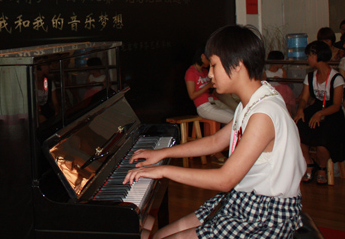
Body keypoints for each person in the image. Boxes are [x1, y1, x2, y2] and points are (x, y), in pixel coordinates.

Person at [124, 25, 305, 239]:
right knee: (161, 234)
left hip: (265, 214)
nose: (210, 74)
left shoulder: (264, 114)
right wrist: (162, 153)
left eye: (214, 65)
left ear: (237, 65)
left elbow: (225, 180)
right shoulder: (254, 100)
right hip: (244, 199)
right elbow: (215, 142)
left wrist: (162, 171)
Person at [294, 40, 345, 185]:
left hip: (331, 112)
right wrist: (300, 110)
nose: (308, 59)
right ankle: (309, 164)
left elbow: (336, 105)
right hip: (316, 107)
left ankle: (322, 168)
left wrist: (320, 114)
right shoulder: (310, 76)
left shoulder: (337, 78)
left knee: (324, 139)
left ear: (318, 56)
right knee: (298, 128)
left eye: (310, 56)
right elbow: (304, 98)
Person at [184, 48, 234, 124]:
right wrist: (207, 86)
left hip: (214, 101)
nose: (210, 62)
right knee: (232, 119)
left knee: (236, 115)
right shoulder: (191, 72)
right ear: (203, 56)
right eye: (209, 59)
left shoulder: (205, 71)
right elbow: (192, 95)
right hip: (203, 105)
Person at [263, 50, 297, 116]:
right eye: (281, 61)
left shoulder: (282, 71)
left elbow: (285, 81)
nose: (283, 63)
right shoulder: (266, 73)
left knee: (288, 108)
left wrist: (279, 79)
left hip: (284, 92)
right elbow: (263, 82)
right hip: (273, 92)